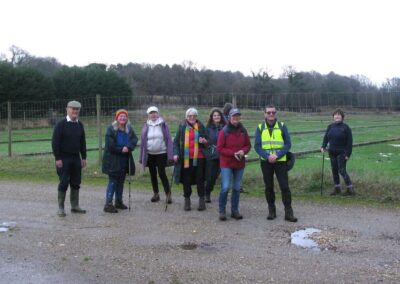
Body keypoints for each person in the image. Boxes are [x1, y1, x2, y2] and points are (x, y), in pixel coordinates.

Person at [254, 105, 297, 222]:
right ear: (264, 114)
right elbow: (257, 146)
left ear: (276, 113)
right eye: (268, 113)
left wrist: (277, 155)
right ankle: (271, 211)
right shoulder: (260, 127)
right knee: (269, 187)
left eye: (273, 112)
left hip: (280, 161)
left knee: (285, 187)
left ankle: (288, 212)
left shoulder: (282, 126)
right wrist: (267, 156)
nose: (271, 114)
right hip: (266, 162)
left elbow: (288, 144)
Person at [52, 100, 87, 217]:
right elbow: (55, 142)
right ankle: (61, 208)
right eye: (73, 109)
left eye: (77, 110)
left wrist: (84, 157)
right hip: (63, 158)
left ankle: (75, 206)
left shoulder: (79, 125)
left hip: (76, 158)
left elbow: (83, 142)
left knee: (76, 182)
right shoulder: (60, 124)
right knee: (63, 182)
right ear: (67, 109)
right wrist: (57, 158)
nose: (75, 111)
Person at [217, 108, 251, 221]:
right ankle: (222, 211)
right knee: (226, 187)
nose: (236, 119)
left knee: (236, 188)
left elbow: (248, 145)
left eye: (238, 117)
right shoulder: (224, 131)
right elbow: (220, 148)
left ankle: (234, 210)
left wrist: (243, 151)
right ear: (229, 118)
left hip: (239, 163)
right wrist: (233, 153)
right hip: (226, 163)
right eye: (234, 117)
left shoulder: (243, 130)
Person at [102, 109, 138, 213]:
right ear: (117, 118)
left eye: (124, 116)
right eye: (120, 116)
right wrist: (121, 149)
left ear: (127, 118)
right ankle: (108, 204)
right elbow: (110, 145)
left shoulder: (129, 129)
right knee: (113, 181)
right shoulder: (111, 129)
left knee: (121, 181)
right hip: (113, 160)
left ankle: (118, 201)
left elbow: (134, 140)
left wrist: (128, 147)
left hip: (124, 160)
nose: (123, 118)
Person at [173, 108, 208, 211]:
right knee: (186, 180)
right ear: (186, 117)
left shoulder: (201, 126)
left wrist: (204, 141)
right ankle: (187, 201)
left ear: (196, 117)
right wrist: (175, 153)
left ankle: (202, 201)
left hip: (199, 158)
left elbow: (208, 140)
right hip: (185, 159)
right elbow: (175, 142)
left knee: (200, 179)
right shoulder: (182, 127)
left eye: (194, 116)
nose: (192, 118)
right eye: (189, 116)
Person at [139, 106, 174, 203]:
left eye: (155, 112)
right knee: (152, 174)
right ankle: (156, 194)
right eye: (151, 113)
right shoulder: (146, 125)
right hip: (149, 154)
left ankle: (168, 194)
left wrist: (171, 154)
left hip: (161, 153)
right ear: (148, 115)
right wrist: (141, 156)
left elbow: (169, 140)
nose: (153, 114)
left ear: (158, 113)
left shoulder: (163, 125)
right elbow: (143, 141)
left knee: (162, 173)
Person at [321, 109, 354, 196]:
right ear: (333, 117)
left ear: (342, 117)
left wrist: (348, 154)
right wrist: (323, 146)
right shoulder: (330, 127)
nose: (337, 116)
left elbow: (349, 142)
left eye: (339, 115)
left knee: (342, 170)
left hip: (342, 153)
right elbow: (326, 138)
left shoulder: (346, 128)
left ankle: (350, 189)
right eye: (335, 115)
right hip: (332, 152)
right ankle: (337, 188)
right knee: (334, 170)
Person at [204, 108, 226, 203]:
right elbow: (204, 142)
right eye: (214, 115)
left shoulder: (226, 127)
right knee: (211, 177)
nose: (217, 117)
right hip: (212, 156)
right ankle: (207, 193)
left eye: (218, 115)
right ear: (212, 117)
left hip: (224, 156)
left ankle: (223, 195)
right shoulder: (207, 128)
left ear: (221, 117)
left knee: (225, 177)